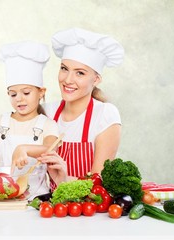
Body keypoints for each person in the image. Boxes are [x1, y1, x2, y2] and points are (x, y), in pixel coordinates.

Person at [0, 41, 59, 197]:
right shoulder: (0, 121)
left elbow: (50, 149)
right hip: (3, 196)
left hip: (37, 200)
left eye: (26, 93)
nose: (19, 99)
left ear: (41, 92)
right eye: (13, 94)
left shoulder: (47, 125)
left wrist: (23, 148)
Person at [38, 27, 125, 188]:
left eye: (80, 73)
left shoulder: (105, 115)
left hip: (85, 211)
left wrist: (64, 180)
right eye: (64, 69)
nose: (68, 80)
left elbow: (98, 185)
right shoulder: (46, 111)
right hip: (43, 208)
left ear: (96, 79)